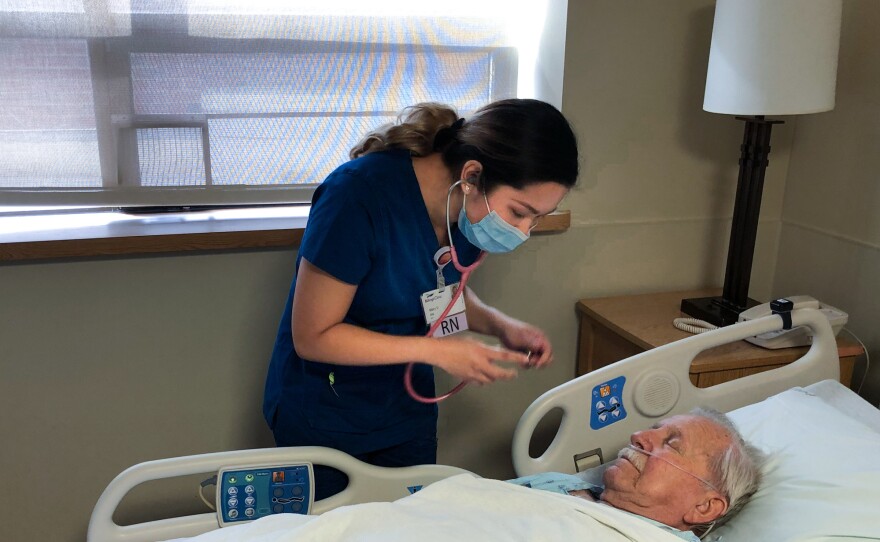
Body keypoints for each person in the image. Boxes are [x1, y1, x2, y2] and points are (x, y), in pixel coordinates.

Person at [263, 99, 580, 498]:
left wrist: (499, 326)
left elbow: (437, 290)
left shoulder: (462, 211)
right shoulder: (357, 197)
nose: (524, 230)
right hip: (326, 412)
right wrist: (437, 352)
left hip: (403, 410)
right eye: (520, 212)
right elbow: (313, 336)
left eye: (537, 218)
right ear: (472, 175)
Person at [508, 408, 766, 541]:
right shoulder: (561, 484)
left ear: (704, 507)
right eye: (653, 430)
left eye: (672, 444)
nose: (638, 437)